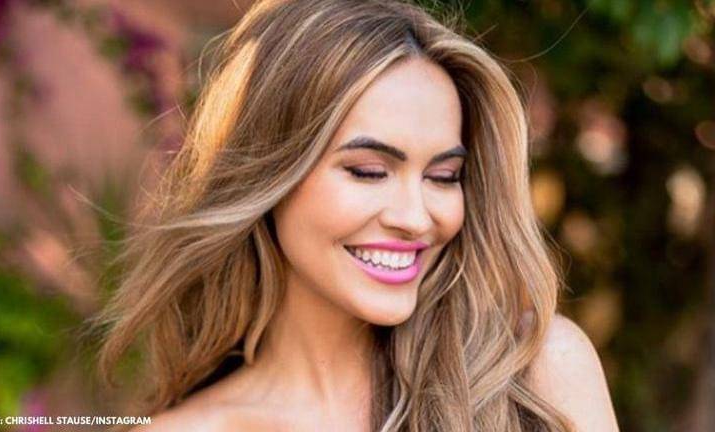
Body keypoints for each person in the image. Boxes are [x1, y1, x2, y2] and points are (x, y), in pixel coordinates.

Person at [94, 0, 619, 430]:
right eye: (369, 171)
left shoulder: (537, 377)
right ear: (268, 176)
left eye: (443, 176)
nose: (416, 218)